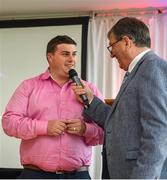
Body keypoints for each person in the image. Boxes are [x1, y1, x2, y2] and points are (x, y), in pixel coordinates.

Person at [71, 17, 167, 179]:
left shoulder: (151, 69)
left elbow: (157, 132)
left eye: (111, 46)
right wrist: (91, 100)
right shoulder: (138, 71)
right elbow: (120, 120)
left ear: (126, 41)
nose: (111, 54)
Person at [2, 35, 104, 179]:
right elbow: (9, 123)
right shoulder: (28, 87)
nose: (71, 59)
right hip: (34, 175)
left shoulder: (89, 90)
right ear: (50, 57)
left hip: (78, 175)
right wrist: (45, 127)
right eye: (65, 54)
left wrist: (85, 129)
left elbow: (107, 131)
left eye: (74, 54)